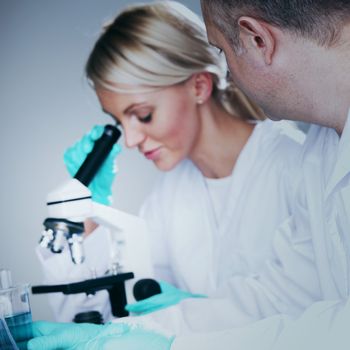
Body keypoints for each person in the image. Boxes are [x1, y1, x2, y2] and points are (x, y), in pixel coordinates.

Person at [28, 1, 312, 349]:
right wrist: (90, 218)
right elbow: (118, 317)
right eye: (120, 122)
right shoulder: (168, 199)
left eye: (143, 115)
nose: (130, 140)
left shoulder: (297, 163)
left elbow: (304, 308)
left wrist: (174, 320)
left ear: (198, 86)